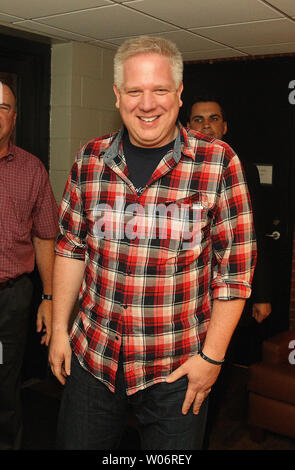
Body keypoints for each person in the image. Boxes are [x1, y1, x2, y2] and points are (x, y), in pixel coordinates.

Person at [49, 36, 256, 451]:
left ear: (179, 95)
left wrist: (212, 360)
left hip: (177, 368)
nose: (147, 104)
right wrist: (58, 329)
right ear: (117, 95)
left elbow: (234, 273)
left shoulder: (218, 163)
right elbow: (71, 248)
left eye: (159, 90)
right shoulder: (89, 161)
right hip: (94, 358)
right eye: (134, 91)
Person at [186, 95, 272, 364]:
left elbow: (252, 236)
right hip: (183, 295)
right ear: (187, 126)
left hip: (225, 290)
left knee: (220, 364)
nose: (206, 126)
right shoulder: (173, 167)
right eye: (198, 120)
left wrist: (262, 295)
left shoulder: (240, 168)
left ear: (224, 126)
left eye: (214, 119)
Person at [0, 81, 58, 450]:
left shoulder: (31, 169)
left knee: (3, 383)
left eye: (3, 107)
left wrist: (50, 297)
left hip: (9, 302)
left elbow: (45, 238)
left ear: (14, 118)